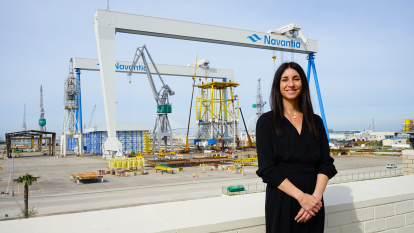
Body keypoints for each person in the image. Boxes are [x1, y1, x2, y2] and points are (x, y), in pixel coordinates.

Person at [256, 62, 337, 233]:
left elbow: (325, 163)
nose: (291, 84)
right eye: (285, 79)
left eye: (296, 79)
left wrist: (314, 199)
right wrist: (302, 198)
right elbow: (267, 168)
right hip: (282, 197)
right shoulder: (266, 122)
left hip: (314, 200)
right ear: (278, 85)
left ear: (303, 84)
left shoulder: (316, 121)